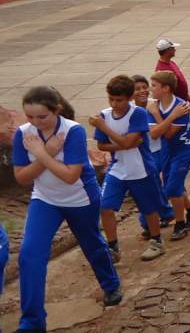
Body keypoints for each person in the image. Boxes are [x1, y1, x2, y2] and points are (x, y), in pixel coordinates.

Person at [13, 87, 122, 331]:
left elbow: (70, 176)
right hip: (45, 199)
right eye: (30, 117)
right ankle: (31, 321)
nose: (35, 122)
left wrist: (41, 153)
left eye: (42, 117)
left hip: (80, 198)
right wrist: (47, 154)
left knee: (92, 244)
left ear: (56, 110)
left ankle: (110, 284)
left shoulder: (72, 130)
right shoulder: (23, 134)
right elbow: (21, 177)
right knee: (29, 255)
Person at [90, 75, 165, 262]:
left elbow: (128, 141)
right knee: (105, 206)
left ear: (129, 97)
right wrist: (123, 145)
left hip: (140, 169)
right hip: (117, 168)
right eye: (111, 99)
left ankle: (157, 242)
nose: (115, 104)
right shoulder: (105, 115)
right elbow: (102, 146)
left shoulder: (137, 113)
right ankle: (113, 247)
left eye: (119, 100)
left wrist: (105, 129)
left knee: (148, 209)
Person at [148, 71, 190, 241]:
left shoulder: (182, 106)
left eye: (154, 86)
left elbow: (169, 133)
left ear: (166, 88)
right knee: (173, 183)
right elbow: (155, 134)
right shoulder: (154, 106)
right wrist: (166, 117)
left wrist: (160, 116)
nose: (151, 89)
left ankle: (180, 223)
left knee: (171, 188)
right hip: (166, 149)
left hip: (183, 149)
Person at [132, 75, 174, 237]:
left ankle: (150, 221)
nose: (143, 91)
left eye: (145, 87)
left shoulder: (154, 104)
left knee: (153, 186)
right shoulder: (130, 109)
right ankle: (166, 212)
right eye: (137, 89)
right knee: (153, 187)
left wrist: (156, 114)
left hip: (158, 151)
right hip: (141, 154)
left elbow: (160, 132)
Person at [154, 38, 190, 106]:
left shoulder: (171, 62)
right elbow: (164, 92)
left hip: (182, 101)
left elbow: (180, 81)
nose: (175, 49)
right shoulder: (162, 70)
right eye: (173, 48)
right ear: (167, 51)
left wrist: (187, 97)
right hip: (174, 105)